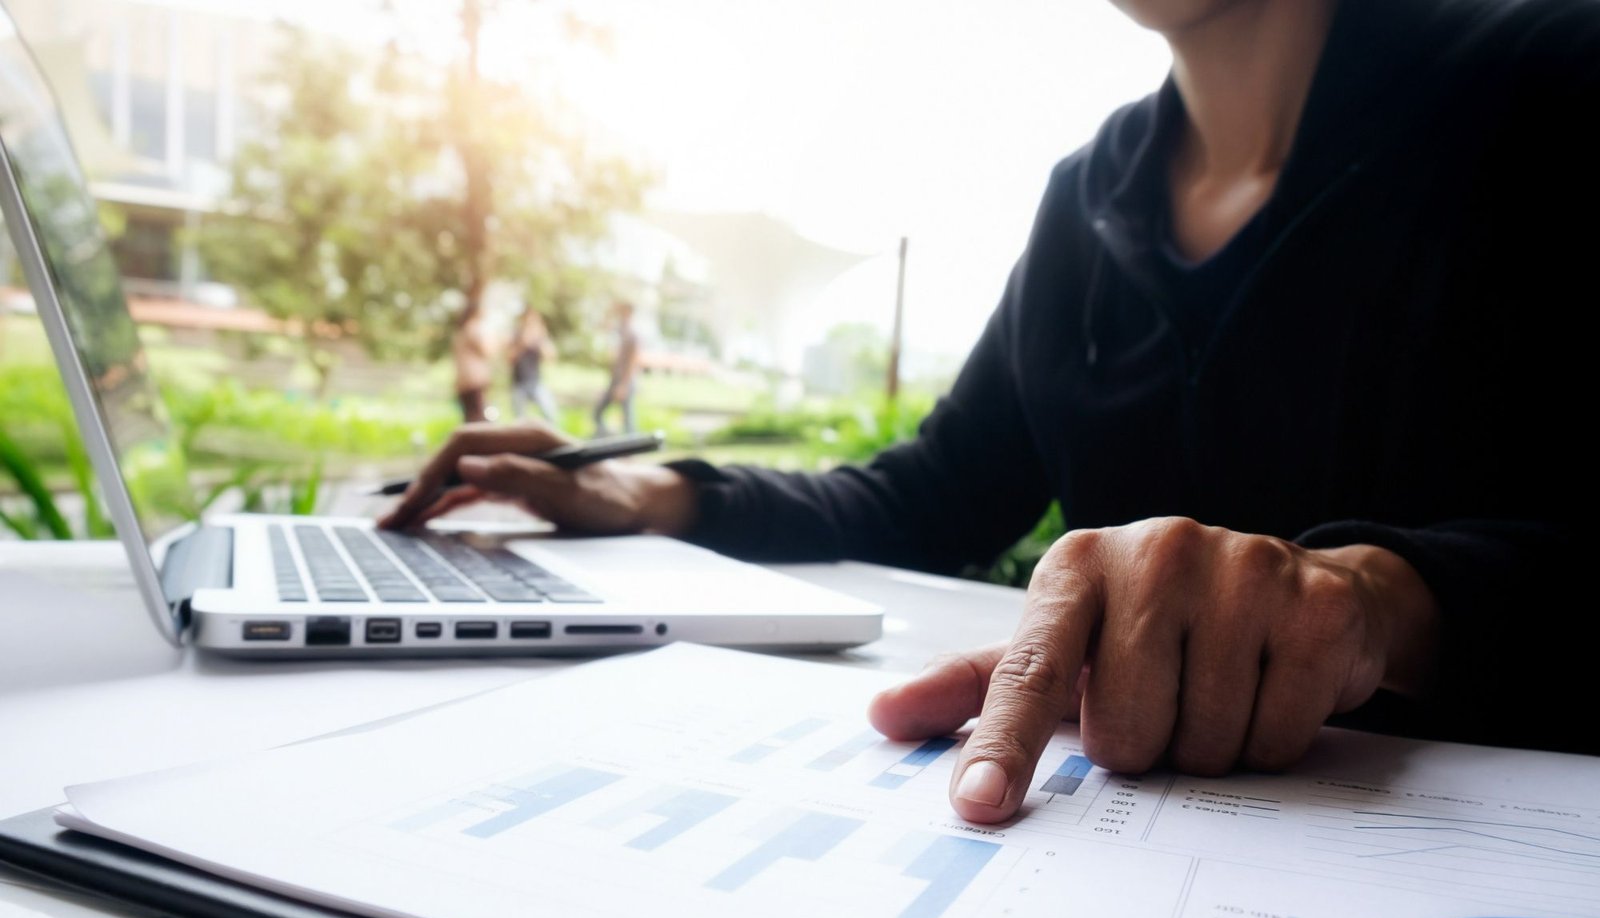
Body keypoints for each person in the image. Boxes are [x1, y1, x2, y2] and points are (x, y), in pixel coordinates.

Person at [384, 0, 1595, 824]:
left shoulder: (1551, 80)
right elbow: (937, 489)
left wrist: (1386, 603)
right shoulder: (1090, 196)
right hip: (1118, 851)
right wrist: (664, 492)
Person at [592, 301, 641, 435]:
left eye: (622, 310)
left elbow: (632, 362)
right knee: (598, 413)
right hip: (615, 379)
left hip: (625, 382)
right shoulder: (620, 330)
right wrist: (609, 311)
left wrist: (623, 385)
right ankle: (606, 437)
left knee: (628, 420)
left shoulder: (633, 334)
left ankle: (632, 447)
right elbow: (603, 327)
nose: (620, 314)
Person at [509, 306, 560, 424]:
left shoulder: (539, 337)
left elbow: (551, 357)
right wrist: (521, 344)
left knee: (550, 414)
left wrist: (541, 338)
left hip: (536, 382)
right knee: (519, 420)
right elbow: (509, 358)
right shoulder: (516, 336)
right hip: (518, 383)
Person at [452, 302, 495, 423]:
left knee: (470, 416)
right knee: (478, 417)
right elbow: (487, 350)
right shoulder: (473, 328)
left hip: (464, 380)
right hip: (474, 379)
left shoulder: (461, 331)